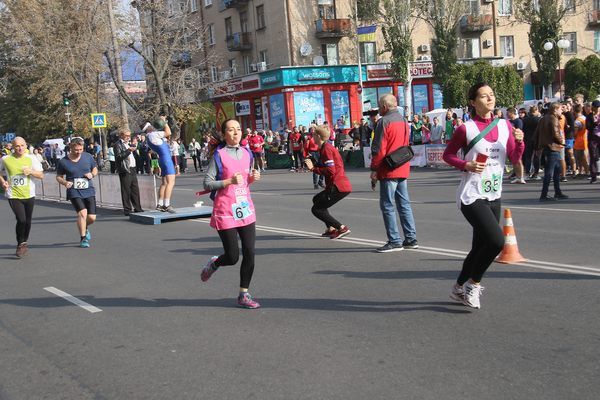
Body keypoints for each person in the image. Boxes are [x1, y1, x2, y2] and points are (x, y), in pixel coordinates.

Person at [442, 83, 524, 309]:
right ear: (473, 102)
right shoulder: (466, 129)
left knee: (479, 246)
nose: (490, 99)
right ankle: (473, 284)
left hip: (493, 193)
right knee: (497, 241)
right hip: (471, 195)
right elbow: (448, 155)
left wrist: (520, 141)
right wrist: (466, 164)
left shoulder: (505, 125)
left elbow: (515, 158)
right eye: (484, 96)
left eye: (492, 95)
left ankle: (458, 287)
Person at [201, 118, 262, 309]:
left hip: (245, 207)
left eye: (238, 129)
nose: (235, 133)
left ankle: (244, 294)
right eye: (231, 130)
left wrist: (252, 178)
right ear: (224, 134)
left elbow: (243, 181)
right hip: (225, 209)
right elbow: (207, 183)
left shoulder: (247, 153)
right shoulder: (219, 155)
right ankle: (215, 263)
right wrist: (228, 181)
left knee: (250, 252)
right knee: (233, 257)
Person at [370, 94, 418, 253]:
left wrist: (374, 169)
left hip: (388, 168)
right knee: (404, 204)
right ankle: (411, 238)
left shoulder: (383, 122)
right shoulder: (403, 120)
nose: (379, 109)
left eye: (379, 106)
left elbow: (379, 148)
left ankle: (394, 240)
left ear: (384, 107)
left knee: (387, 205)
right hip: (402, 165)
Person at [304, 125, 352, 239]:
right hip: (336, 184)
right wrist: (315, 163)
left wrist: (313, 169)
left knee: (316, 209)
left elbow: (331, 170)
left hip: (338, 186)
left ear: (318, 136)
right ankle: (331, 228)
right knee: (317, 200)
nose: (312, 137)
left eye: (313, 135)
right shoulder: (324, 148)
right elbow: (327, 165)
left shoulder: (326, 149)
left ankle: (341, 228)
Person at [0, 136, 44, 258]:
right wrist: (3, 182)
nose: (20, 148)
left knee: (28, 221)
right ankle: (20, 244)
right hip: (13, 194)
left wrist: (31, 171)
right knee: (21, 220)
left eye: (22, 145)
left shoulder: (32, 158)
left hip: (29, 194)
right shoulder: (5, 159)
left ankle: (24, 242)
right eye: (17, 146)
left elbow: (41, 175)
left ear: (26, 145)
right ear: (12, 147)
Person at [55, 137, 98, 248]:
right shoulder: (63, 161)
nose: (78, 152)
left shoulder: (88, 157)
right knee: (82, 213)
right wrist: (65, 182)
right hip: (74, 190)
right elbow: (58, 177)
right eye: (76, 150)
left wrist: (92, 174)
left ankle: (84, 226)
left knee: (92, 218)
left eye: (80, 149)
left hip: (88, 190)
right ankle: (83, 238)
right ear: (71, 148)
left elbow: (95, 169)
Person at [536, 103, 569, 201]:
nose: (561, 111)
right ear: (555, 109)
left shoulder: (543, 118)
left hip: (548, 146)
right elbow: (556, 133)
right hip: (553, 147)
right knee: (549, 172)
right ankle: (544, 195)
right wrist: (562, 141)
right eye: (560, 109)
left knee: (556, 170)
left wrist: (537, 146)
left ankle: (557, 192)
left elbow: (537, 133)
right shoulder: (553, 118)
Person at [144, 118, 177, 212]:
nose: (152, 127)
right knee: (171, 182)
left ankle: (160, 204)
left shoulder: (149, 137)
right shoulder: (153, 135)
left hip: (162, 159)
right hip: (166, 159)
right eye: (150, 126)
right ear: (148, 129)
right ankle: (167, 204)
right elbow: (168, 132)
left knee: (164, 183)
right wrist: (164, 122)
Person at [113, 128, 143, 216]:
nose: (128, 137)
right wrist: (129, 150)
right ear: (121, 135)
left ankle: (138, 208)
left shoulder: (129, 143)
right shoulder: (117, 144)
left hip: (133, 168)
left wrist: (135, 148)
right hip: (125, 169)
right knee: (126, 190)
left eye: (129, 135)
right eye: (126, 135)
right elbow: (119, 157)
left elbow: (134, 156)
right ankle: (127, 209)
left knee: (135, 189)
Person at [507, 107, 526, 184]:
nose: (507, 114)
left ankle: (521, 177)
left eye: (508, 113)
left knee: (519, 160)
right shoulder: (508, 121)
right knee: (514, 160)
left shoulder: (518, 121)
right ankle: (517, 176)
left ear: (512, 113)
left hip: (517, 142)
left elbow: (519, 131)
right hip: (510, 143)